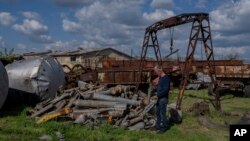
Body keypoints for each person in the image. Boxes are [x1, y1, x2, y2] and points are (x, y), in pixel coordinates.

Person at [153, 64, 170, 133]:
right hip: (159, 98)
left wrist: (157, 95)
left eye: (156, 71)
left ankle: (164, 127)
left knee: (162, 113)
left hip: (163, 99)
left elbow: (166, 90)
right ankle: (158, 126)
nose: (156, 73)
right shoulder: (160, 78)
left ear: (160, 70)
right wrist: (155, 88)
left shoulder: (166, 78)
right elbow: (160, 88)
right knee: (157, 113)